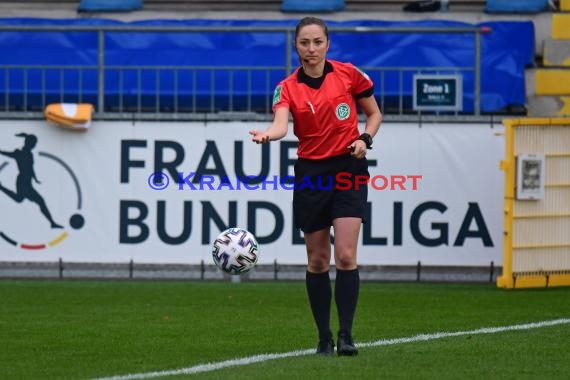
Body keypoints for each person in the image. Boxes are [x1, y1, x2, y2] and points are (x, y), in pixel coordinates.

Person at [250, 16, 382, 356]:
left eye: (317, 42)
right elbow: (281, 124)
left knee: (347, 255)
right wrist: (268, 135)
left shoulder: (349, 74)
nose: (311, 49)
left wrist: (365, 138)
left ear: (328, 44)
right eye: (304, 43)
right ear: (295, 46)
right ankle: (324, 337)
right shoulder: (286, 87)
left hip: (348, 167)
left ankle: (346, 336)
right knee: (319, 260)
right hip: (311, 173)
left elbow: (374, 114)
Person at [0, 133, 63, 229]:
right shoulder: (19, 153)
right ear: (29, 143)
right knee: (36, 201)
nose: (34, 146)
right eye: (34, 144)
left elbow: (31, 168)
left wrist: (35, 178)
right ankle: (52, 223)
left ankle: (52, 223)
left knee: (21, 199)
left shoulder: (29, 154)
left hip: (27, 181)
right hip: (23, 181)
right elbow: (8, 154)